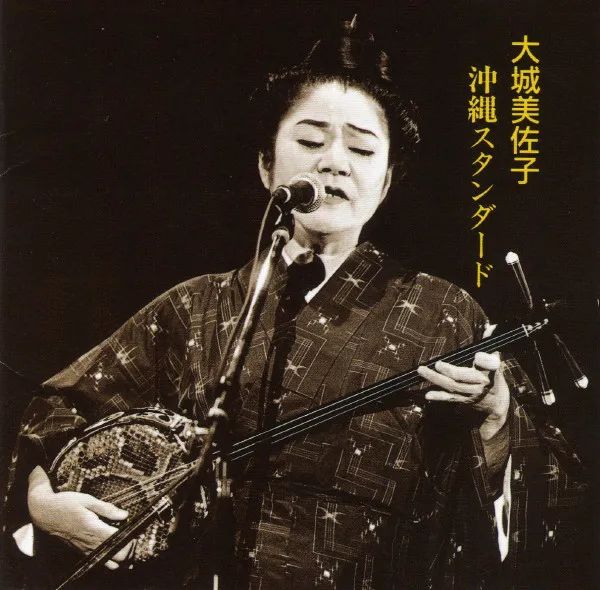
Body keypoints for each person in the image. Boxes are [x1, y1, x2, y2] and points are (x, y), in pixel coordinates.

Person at [4, 17, 588, 590]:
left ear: (385, 184)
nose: (333, 162)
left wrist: (497, 418)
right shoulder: (195, 307)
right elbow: (58, 411)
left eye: (362, 150)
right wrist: (41, 502)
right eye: (309, 141)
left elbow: (550, 497)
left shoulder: (446, 313)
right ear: (267, 166)